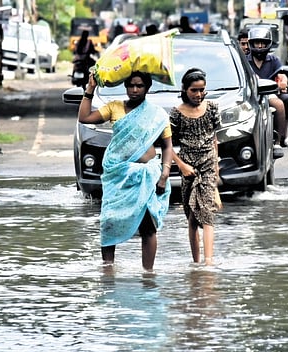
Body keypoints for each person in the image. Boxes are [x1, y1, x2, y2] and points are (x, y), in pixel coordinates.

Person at [78, 71, 173, 272]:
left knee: (148, 226)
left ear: (147, 88)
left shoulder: (157, 114)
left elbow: (167, 146)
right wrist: (90, 89)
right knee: (109, 221)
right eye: (131, 85)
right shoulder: (115, 108)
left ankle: (148, 275)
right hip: (118, 175)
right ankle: (108, 271)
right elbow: (85, 117)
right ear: (125, 87)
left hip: (146, 176)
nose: (135, 90)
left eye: (139, 86)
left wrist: (164, 174)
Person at [169, 68, 222, 266]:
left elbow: (214, 138)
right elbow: (167, 145)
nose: (199, 95)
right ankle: (196, 262)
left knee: (206, 212)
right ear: (185, 90)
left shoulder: (213, 108)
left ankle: (209, 262)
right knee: (191, 216)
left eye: (202, 90)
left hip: (208, 165)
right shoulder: (176, 114)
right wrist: (181, 165)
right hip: (188, 168)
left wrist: (216, 165)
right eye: (194, 90)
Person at [246, 27, 288, 149]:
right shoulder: (245, 61)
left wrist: (284, 82)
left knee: (285, 100)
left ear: (268, 44)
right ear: (251, 44)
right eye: (256, 43)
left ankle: (280, 139)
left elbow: (282, 74)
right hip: (250, 94)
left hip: (269, 92)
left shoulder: (274, 60)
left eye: (262, 43)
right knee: (278, 104)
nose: (259, 46)